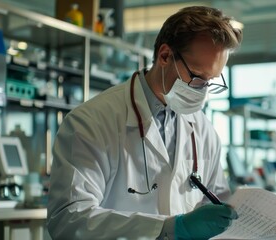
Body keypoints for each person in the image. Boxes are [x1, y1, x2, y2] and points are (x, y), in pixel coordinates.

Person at [47, 5, 243, 240]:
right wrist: (170, 228)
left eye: (211, 82)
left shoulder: (203, 131)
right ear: (165, 56)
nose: (203, 91)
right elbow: (69, 220)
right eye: (197, 77)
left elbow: (217, 205)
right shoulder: (91, 122)